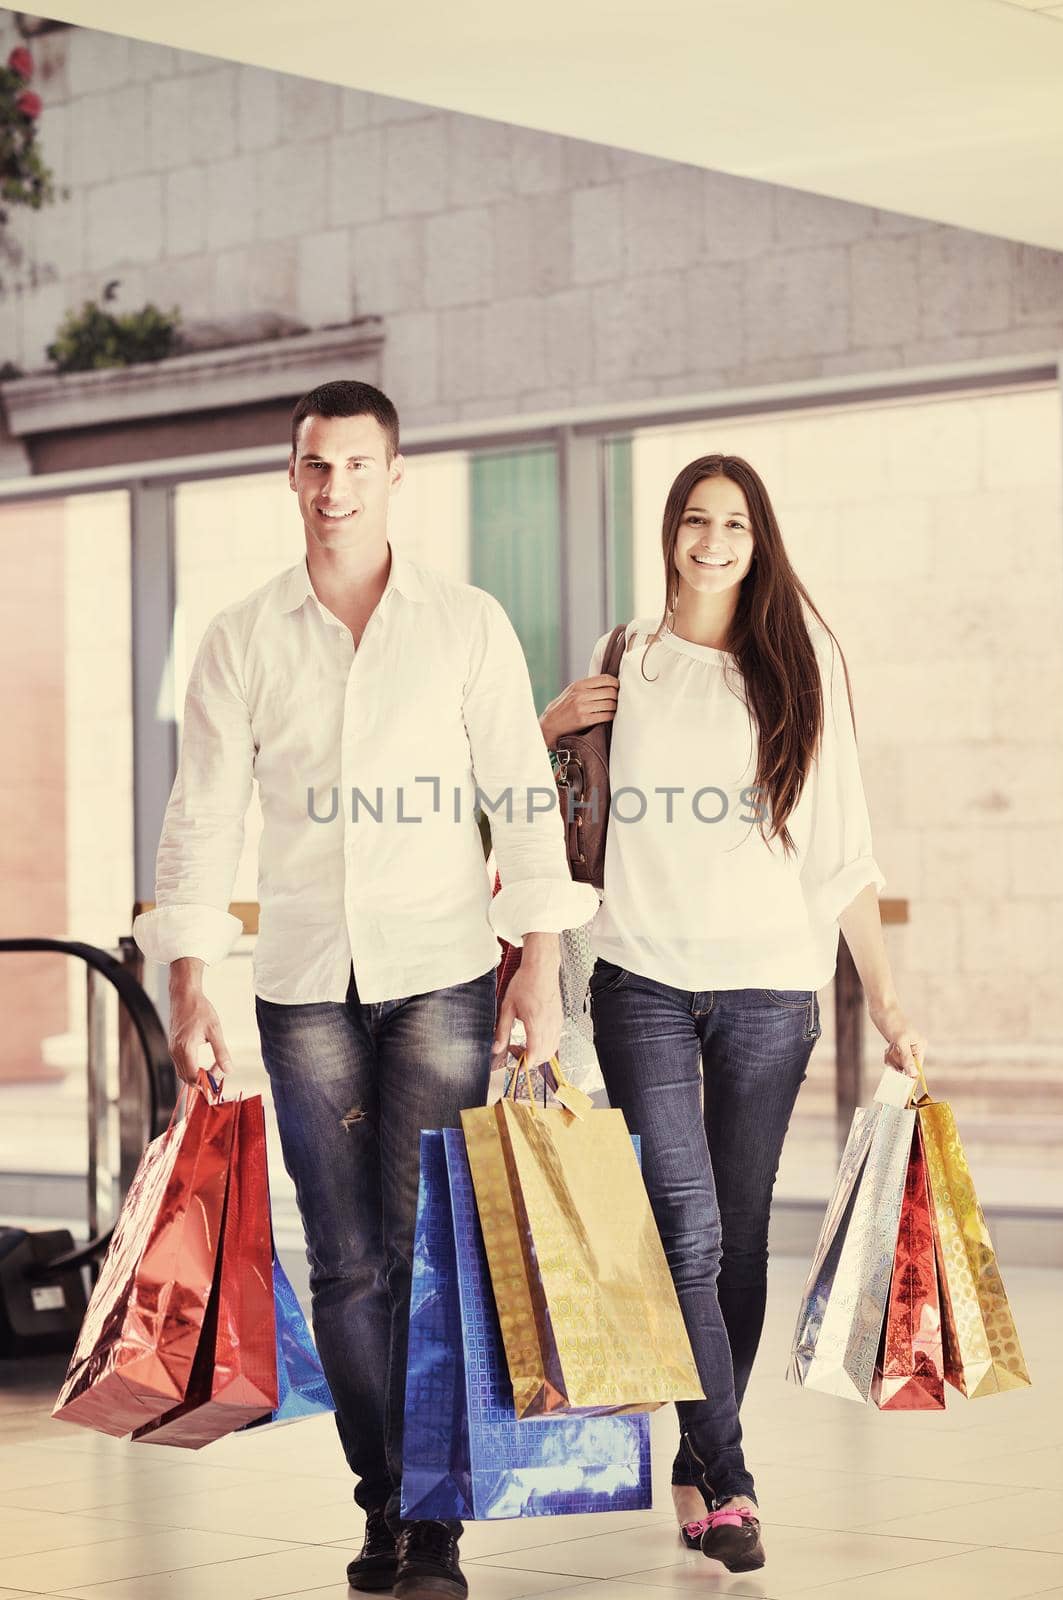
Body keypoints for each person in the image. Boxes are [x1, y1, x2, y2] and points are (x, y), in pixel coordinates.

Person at [133, 380, 596, 1600]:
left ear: (397, 477)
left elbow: (523, 794)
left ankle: (434, 1522)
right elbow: (201, 823)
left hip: (441, 972)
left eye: (353, 465)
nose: (332, 487)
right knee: (345, 1263)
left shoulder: (465, 625)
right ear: (292, 478)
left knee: (424, 1249)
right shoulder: (241, 637)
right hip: (300, 988)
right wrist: (191, 985)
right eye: (312, 466)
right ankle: (385, 1496)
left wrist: (538, 963)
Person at [539, 453, 927, 1575]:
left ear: (761, 543)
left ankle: (696, 1465)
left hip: (771, 984)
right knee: (686, 1230)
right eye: (696, 521)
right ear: (669, 533)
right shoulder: (627, 659)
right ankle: (732, 1474)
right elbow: (539, 817)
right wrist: (550, 722)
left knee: (741, 1240)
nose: (713, 542)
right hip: (641, 981)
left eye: (736, 526)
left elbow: (844, 852)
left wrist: (890, 1000)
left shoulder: (800, 664)